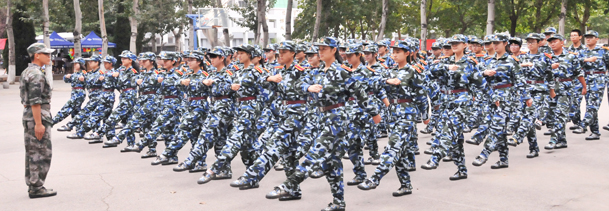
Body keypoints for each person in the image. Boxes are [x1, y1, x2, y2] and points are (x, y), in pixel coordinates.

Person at [356, 40, 423, 196]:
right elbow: (372, 82)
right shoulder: (389, 71)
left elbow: (420, 94)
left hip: (407, 114)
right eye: (393, 52)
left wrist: (425, 116)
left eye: (398, 52)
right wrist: (386, 80)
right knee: (400, 151)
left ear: (407, 53)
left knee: (392, 148)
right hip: (393, 114)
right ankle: (406, 185)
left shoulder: (412, 71)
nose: (394, 54)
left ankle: (374, 178)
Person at [421, 34, 485, 180]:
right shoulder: (444, 62)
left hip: (461, 101)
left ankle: (435, 158)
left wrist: (493, 99)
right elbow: (428, 74)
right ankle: (462, 170)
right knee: (456, 139)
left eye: (457, 43)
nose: (453, 46)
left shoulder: (469, 63)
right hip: (445, 101)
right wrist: (446, 67)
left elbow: (481, 83)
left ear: (465, 45)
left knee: (448, 130)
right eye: (452, 44)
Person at [471, 33, 529, 169]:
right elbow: (475, 77)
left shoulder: (511, 61)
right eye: (493, 43)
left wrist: (527, 98)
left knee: (496, 126)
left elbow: (520, 81)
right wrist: (484, 73)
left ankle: (484, 154)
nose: (495, 45)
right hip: (491, 96)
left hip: (506, 97)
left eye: (498, 43)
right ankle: (503, 160)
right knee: (500, 130)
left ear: (505, 44)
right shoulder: (489, 61)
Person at [506, 33, 555, 158]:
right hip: (525, 90)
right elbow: (516, 72)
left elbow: (549, 74)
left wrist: (552, 89)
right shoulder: (522, 57)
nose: (530, 44)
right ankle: (534, 148)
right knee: (529, 120)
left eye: (533, 42)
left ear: (539, 43)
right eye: (528, 42)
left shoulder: (545, 57)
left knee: (530, 115)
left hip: (539, 90)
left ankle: (517, 137)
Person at [21, 43, 56, 198]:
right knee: (41, 153)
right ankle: (36, 187)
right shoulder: (36, 75)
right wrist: (39, 123)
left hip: (29, 115)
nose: (49, 57)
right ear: (37, 55)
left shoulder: (27, 71)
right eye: (46, 54)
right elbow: (35, 101)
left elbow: (25, 100)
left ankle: (33, 185)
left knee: (32, 151)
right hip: (37, 116)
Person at [543, 34, 586, 150]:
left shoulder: (570, 57)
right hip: (551, 89)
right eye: (550, 42)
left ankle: (553, 140)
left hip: (565, 90)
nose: (552, 44)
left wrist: (584, 87)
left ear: (562, 42)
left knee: (560, 115)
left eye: (555, 41)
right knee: (552, 116)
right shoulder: (546, 58)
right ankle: (562, 140)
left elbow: (579, 73)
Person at [572, 30, 608, 140]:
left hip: (598, 79)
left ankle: (583, 124)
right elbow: (576, 63)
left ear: (597, 39)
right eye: (587, 37)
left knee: (593, 104)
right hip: (586, 79)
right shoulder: (582, 52)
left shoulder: (603, 51)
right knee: (589, 104)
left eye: (591, 37)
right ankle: (595, 131)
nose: (588, 39)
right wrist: (587, 59)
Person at [52, 57, 87, 127]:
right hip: (74, 92)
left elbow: (86, 80)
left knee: (68, 107)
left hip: (79, 93)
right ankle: (79, 130)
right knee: (76, 112)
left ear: (81, 64)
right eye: (74, 64)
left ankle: (53, 121)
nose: (74, 65)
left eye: (76, 64)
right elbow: (66, 80)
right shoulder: (74, 73)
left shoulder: (83, 73)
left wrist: (74, 77)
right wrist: (67, 76)